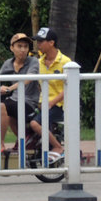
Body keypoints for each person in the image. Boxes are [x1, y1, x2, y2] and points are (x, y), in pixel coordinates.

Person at [0, 32, 39, 148]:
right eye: (19, 46)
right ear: (12, 48)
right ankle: (25, 141)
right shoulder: (8, 63)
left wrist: (9, 89)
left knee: (2, 106)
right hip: (14, 100)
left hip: (29, 102)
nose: (23, 49)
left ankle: (0, 145)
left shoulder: (33, 61)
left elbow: (28, 79)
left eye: (25, 46)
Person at [32, 26, 68, 161]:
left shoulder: (65, 62)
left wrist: (52, 102)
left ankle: (58, 147)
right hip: (44, 104)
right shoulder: (40, 62)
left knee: (35, 124)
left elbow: (69, 88)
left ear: (51, 43)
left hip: (59, 106)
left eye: (41, 42)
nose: (38, 45)